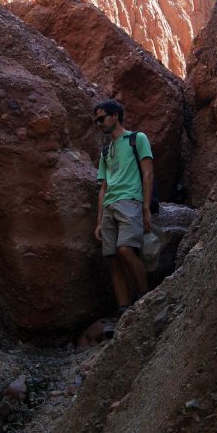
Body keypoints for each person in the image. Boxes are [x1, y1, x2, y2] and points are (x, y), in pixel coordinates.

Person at [93, 99, 154, 316]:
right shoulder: (105, 151)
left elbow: (148, 173)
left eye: (101, 119)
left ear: (115, 116)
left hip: (130, 201)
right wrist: (99, 221)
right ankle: (124, 310)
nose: (99, 124)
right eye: (96, 121)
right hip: (109, 205)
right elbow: (103, 187)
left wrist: (146, 208)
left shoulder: (137, 139)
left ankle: (146, 299)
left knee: (125, 249)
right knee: (113, 260)